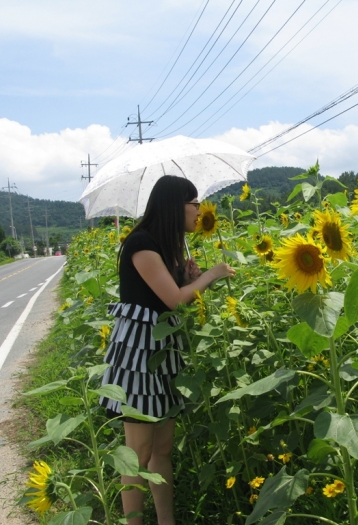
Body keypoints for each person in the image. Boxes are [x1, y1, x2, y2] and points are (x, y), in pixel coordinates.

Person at [98, 175, 235, 525]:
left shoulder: (166, 245)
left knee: (162, 448)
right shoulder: (142, 244)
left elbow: (171, 297)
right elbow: (173, 301)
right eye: (194, 203)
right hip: (139, 354)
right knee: (138, 453)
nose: (199, 211)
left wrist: (188, 279)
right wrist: (210, 276)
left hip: (165, 348)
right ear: (176, 205)